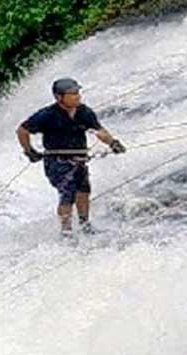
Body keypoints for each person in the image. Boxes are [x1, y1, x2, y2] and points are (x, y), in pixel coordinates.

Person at [17, 78, 126, 237]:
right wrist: (29, 151)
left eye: (77, 93)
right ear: (59, 97)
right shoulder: (46, 115)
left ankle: (85, 225)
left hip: (79, 159)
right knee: (68, 192)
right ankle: (66, 232)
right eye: (72, 94)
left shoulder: (84, 112)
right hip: (56, 162)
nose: (77, 96)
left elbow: (99, 131)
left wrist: (113, 143)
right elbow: (22, 130)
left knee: (83, 191)